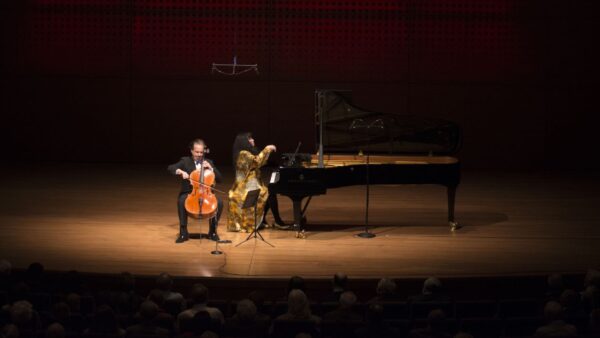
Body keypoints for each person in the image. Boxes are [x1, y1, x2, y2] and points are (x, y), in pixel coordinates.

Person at [167, 139, 223, 243]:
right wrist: (180, 171)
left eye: (201, 152)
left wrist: (211, 168)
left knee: (219, 202)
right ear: (192, 151)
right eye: (197, 152)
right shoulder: (185, 161)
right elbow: (171, 167)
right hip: (190, 192)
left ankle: (213, 231)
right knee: (181, 201)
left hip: (207, 194)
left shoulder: (209, 162)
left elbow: (220, 179)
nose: (199, 154)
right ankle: (183, 233)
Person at [228, 132, 276, 232]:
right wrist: (268, 148)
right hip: (245, 187)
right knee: (266, 193)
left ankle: (262, 221)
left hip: (252, 183)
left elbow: (259, 162)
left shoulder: (247, 152)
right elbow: (258, 161)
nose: (253, 140)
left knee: (268, 193)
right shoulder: (243, 153)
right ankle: (261, 222)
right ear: (244, 142)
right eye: (249, 139)